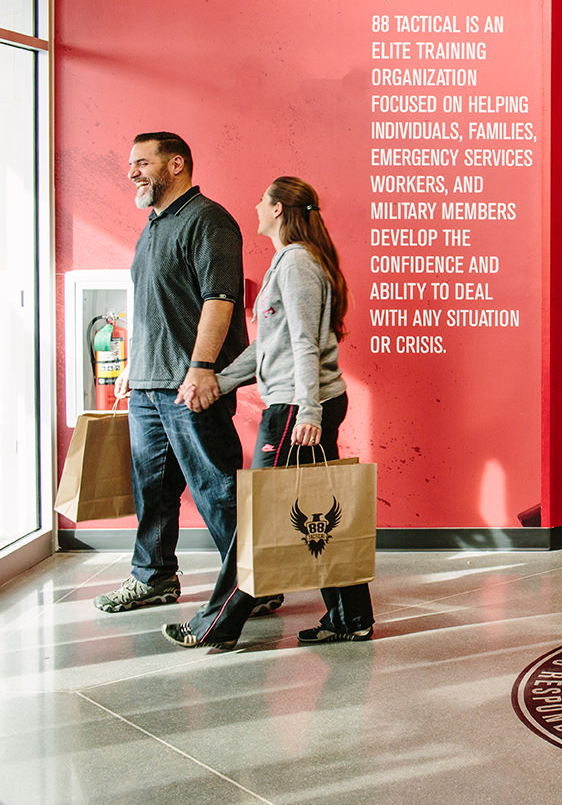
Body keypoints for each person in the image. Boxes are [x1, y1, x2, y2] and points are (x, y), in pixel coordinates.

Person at [163, 176, 373, 648]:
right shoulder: (290, 260)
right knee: (322, 514)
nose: (255, 205)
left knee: (261, 517)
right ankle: (351, 618)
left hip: (297, 407)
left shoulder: (297, 262)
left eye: (262, 200)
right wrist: (219, 382)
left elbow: (304, 343)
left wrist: (308, 412)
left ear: (278, 209)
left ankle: (216, 624)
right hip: (302, 403)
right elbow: (268, 346)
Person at [94, 133, 249, 614]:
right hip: (149, 383)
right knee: (152, 490)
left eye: (142, 163)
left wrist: (201, 368)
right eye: (131, 164)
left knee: (218, 489)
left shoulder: (209, 220)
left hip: (189, 384)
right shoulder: (153, 225)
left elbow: (220, 300)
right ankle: (154, 577)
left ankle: (253, 583)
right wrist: (135, 364)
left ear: (176, 164)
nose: (131, 173)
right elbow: (154, 307)